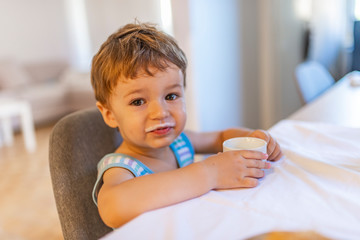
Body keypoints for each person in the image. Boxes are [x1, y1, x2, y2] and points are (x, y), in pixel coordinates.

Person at [91, 22, 283, 228]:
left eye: (171, 96)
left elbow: (220, 138)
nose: (161, 112)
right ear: (110, 115)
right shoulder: (122, 168)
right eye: (138, 101)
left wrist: (252, 138)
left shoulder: (180, 142)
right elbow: (114, 206)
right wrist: (210, 174)